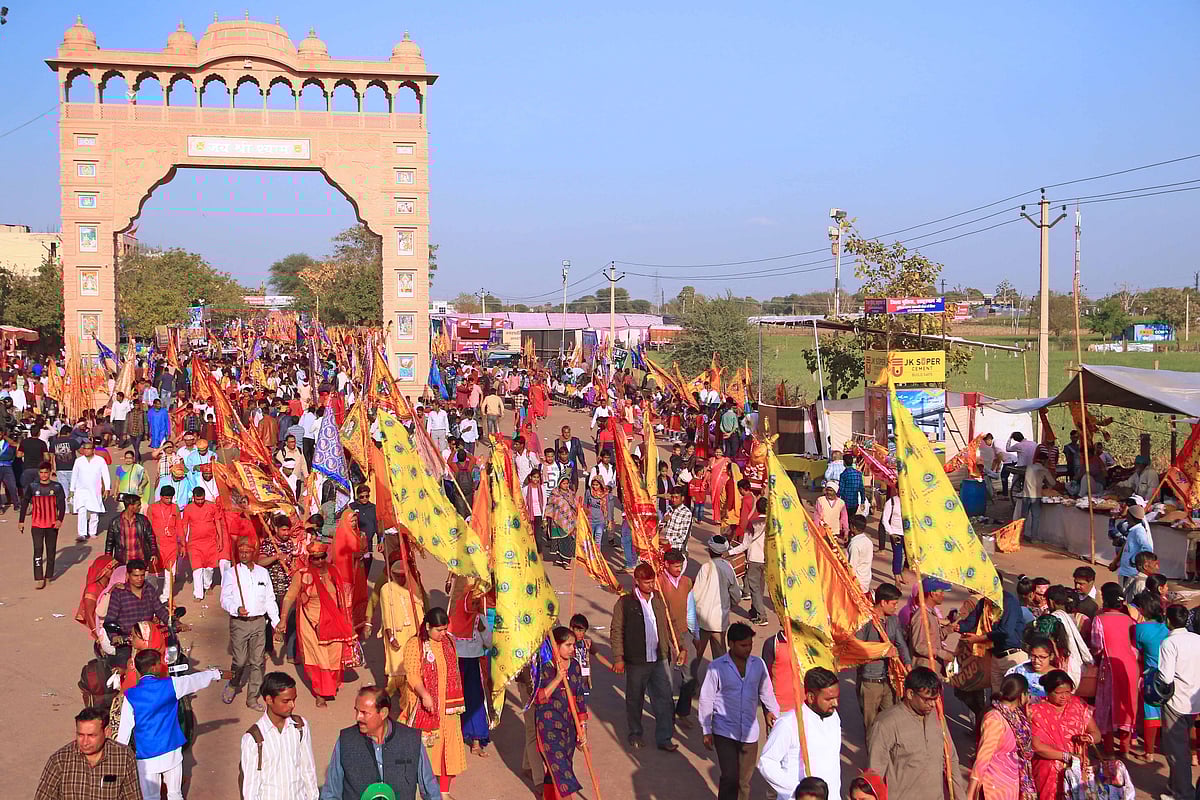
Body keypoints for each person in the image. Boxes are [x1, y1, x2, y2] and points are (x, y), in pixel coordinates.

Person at [114, 650, 229, 800]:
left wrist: (116, 760)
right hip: (172, 751)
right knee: (175, 794)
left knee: (150, 797)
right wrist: (216, 673)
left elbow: (123, 733)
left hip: (146, 757)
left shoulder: (130, 696)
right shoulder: (171, 685)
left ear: (136, 668)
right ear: (155, 667)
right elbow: (195, 680)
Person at [699, 622, 780, 800]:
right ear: (731, 644)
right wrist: (706, 730)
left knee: (744, 782)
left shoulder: (758, 665)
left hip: (750, 734)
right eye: (743, 645)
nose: (748, 649)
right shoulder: (717, 667)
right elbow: (706, 698)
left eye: (750, 644)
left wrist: (772, 713)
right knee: (729, 777)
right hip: (724, 731)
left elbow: (766, 691)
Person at [610, 562, 684, 752]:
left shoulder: (659, 599)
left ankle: (664, 737)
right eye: (647, 582)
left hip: (660, 658)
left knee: (665, 698)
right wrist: (619, 657)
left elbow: (670, 623)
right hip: (637, 660)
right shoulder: (625, 603)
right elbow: (616, 630)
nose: (651, 585)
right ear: (637, 581)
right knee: (635, 698)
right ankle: (635, 733)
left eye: (652, 581)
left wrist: (680, 646)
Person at [319, 685, 441, 800]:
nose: (358, 717)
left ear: (383, 713)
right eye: (357, 711)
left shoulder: (410, 740)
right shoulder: (346, 741)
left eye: (364, 713)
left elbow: (431, 790)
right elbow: (331, 793)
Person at [867, 667, 966, 800]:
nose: (932, 704)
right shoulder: (886, 724)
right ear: (910, 694)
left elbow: (951, 760)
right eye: (927, 699)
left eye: (934, 699)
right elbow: (875, 773)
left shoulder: (938, 718)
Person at [278, 541, 357, 706]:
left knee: (334, 657)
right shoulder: (302, 575)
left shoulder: (333, 571)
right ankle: (320, 692)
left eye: (322, 557)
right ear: (310, 559)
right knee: (319, 658)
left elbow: (342, 598)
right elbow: (289, 597)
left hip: (333, 623)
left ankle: (330, 686)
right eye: (316, 559)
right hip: (310, 623)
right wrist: (283, 619)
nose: (320, 561)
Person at [399, 607, 466, 794]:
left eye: (445, 629)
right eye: (439, 630)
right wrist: (425, 694)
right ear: (427, 626)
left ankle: (443, 791)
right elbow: (412, 674)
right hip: (426, 707)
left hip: (449, 707)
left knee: (449, 751)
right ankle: (423, 792)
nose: (443, 634)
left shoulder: (450, 642)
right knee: (426, 751)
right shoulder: (415, 644)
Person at [758, 666, 840, 800]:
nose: (835, 703)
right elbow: (767, 762)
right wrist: (797, 790)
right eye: (829, 699)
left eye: (837, 697)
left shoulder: (834, 717)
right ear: (811, 697)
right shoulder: (789, 723)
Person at [239, 671, 319, 800]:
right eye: (286, 701)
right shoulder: (253, 738)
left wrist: (313, 797)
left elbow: (308, 768)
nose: (292, 705)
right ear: (269, 700)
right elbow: (251, 786)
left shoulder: (300, 726)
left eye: (294, 699)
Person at [221, 537, 279, 711]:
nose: (244, 555)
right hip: (240, 623)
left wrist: (276, 622)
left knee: (257, 662)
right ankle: (233, 683)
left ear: (254, 552)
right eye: (241, 552)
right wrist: (236, 608)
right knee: (239, 661)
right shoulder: (232, 573)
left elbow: (270, 599)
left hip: (259, 622)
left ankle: (252, 698)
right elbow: (225, 598)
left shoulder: (263, 573)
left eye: (247, 551)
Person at [34, 706, 140, 800]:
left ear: (107, 732)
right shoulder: (59, 761)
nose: (85, 742)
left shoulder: (123, 757)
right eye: (80, 735)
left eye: (92, 735)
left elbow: (132, 796)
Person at [534, 626, 590, 800]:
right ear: (555, 645)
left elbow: (579, 698)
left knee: (559, 768)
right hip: (548, 725)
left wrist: (582, 728)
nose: (573, 649)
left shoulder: (574, 666)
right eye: (568, 645)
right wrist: (558, 678)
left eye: (573, 645)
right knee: (561, 772)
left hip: (569, 726)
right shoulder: (543, 665)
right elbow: (539, 698)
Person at [1155, 603, 1200, 800]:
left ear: (1168, 621)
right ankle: (1175, 786)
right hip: (1195, 701)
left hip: (1176, 701)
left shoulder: (1169, 643)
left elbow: (1165, 678)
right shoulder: (1197, 639)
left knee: (1177, 752)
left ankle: (1184, 794)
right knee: (1182, 747)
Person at [967, 673, 1035, 800]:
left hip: (1012, 783)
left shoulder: (1017, 716)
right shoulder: (995, 719)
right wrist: (971, 792)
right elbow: (983, 757)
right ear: (1022, 695)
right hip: (995, 787)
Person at [855, 582, 911, 733]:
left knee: (890, 723)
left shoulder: (893, 620)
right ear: (883, 602)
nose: (896, 607)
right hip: (870, 681)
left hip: (888, 680)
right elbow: (857, 648)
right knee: (871, 726)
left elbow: (900, 644)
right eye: (893, 604)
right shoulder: (865, 620)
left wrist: (907, 663)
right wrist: (883, 651)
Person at [1090, 581, 1138, 755]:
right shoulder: (1130, 620)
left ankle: (1109, 749)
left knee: (1107, 706)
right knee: (1127, 704)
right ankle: (1125, 747)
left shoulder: (1099, 619)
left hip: (1109, 666)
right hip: (1130, 666)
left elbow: (1097, 646)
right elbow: (1135, 646)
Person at [449, 587, 493, 758]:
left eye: (477, 603)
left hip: (474, 663)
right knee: (455, 701)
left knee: (475, 702)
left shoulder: (480, 619)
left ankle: (476, 743)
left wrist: (483, 630)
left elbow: (489, 644)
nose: (474, 606)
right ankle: (454, 739)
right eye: (472, 602)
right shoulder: (452, 618)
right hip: (457, 664)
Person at [692, 534, 742, 677]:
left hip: (702, 620)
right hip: (720, 620)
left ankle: (690, 684)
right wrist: (729, 606)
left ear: (710, 550)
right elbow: (736, 596)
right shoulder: (728, 568)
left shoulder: (705, 568)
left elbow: (695, 594)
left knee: (696, 655)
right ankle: (723, 684)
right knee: (721, 658)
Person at [660, 549, 698, 721]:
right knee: (666, 677)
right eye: (675, 566)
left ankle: (683, 711)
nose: (678, 569)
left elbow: (691, 608)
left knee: (690, 675)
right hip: (665, 635)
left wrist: (694, 631)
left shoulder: (687, 582)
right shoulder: (658, 583)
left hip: (684, 632)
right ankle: (667, 715)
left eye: (680, 566)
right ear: (666, 564)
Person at [18, 462, 65, 589]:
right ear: (39, 473)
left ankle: (48, 576)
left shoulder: (57, 487)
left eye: (46, 472)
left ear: (50, 473)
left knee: (51, 551)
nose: (44, 475)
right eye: (41, 473)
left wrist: (60, 520)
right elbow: (25, 503)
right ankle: (39, 578)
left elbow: (62, 505)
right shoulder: (33, 487)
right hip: (37, 524)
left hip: (51, 524)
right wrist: (21, 521)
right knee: (38, 550)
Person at [729, 497, 768, 624]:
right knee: (760, 587)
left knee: (754, 588)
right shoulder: (772, 523)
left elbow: (745, 545)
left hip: (754, 559)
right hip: (766, 560)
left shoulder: (753, 523)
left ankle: (762, 616)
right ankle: (755, 611)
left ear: (757, 508)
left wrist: (730, 552)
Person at [906, 577, 955, 674]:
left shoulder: (931, 612)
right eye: (941, 592)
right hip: (924, 668)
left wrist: (949, 629)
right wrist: (942, 654)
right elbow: (919, 646)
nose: (943, 595)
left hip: (933, 666)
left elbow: (934, 637)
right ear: (932, 593)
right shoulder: (921, 616)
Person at [147, 486, 182, 604]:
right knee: (153, 571)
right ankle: (150, 594)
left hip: (171, 546)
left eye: (170, 498)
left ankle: (166, 597)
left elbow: (179, 527)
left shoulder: (175, 508)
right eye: (166, 498)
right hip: (156, 545)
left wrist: (182, 544)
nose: (169, 500)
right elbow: (148, 527)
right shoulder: (152, 508)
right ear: (161, 496)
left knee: (170, 572)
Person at [72, 439, 110, 541]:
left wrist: (107, 488)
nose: (86, 451)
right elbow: (74, 475)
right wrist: (72, 489)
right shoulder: (79, 461)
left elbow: (105, 474)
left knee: (94, 511)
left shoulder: (100, 460)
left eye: (89, 449)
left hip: (95, 490)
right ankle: (82, 533)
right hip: (81, 490)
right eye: (85, 449)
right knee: (82, 511)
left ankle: (92, 531)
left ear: (93, 450)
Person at [1114, 505, 1154, 591]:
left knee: (1126, 593)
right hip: (1126, 570)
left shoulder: (1139, 531)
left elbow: (1147, 548)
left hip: (1131, 572)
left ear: (1130, 517)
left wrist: (1134, 560)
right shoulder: (1133, 530)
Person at [1004, 635, 1056, 700]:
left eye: (1042, 657)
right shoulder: (1020, 671)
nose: (1036, 661)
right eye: (1033, 656)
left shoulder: (1057, 677)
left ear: (1051, 656)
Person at [880, 484, 905, 585]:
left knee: (909, 556)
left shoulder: (910, 502)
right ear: (897, 489)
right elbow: (884, 520)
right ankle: (896, 577)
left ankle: (901, 573)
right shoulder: (891, 502)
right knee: (898, 555)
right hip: (896, 533)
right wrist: (891, 533)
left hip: (908, 535)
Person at [658, 484, 694, 553]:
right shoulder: (669, 509)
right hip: (666, 548)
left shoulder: (686, 513)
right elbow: (659, 528)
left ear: (682, 498)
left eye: (676, 497)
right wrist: (663, 521)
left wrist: (668, 541)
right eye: (672, 497)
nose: (674, 500)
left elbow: (684, 536)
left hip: (677, 549)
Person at [847, 515, 874, 595]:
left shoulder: (854, 544)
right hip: (866, 578)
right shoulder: (868, 541)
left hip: (857, 581)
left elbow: (852, 567)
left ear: (853, 527)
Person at [838, 453, 866, 518]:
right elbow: (862, 489)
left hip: (845, 503)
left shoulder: (843, 475)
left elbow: (841, 490)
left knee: (845, 520)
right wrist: (862, 501)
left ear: (844, 462)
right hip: (855, 503)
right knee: (852, 519)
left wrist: (835, 499)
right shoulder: (858, 474)